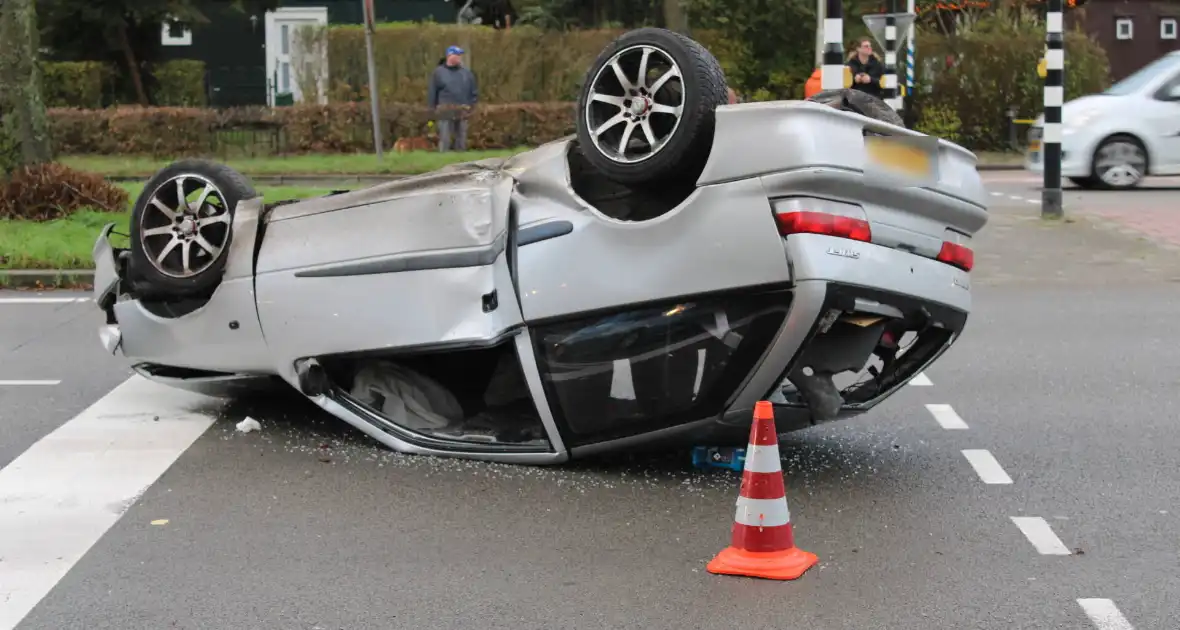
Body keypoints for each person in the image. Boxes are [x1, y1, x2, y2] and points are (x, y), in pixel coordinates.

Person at [428, 45, 478, 152]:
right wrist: (432, 109)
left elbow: (473, 91)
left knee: (461, 138)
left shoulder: (467, 73)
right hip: (445, 109)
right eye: (457, 55)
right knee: (445, 137)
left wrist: (472, 105)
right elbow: (433, 91)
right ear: (449, 56)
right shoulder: (438, 72)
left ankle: (460, 159)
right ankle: (444, 158)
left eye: (460, 55)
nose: (459, 57)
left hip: (463, 109)